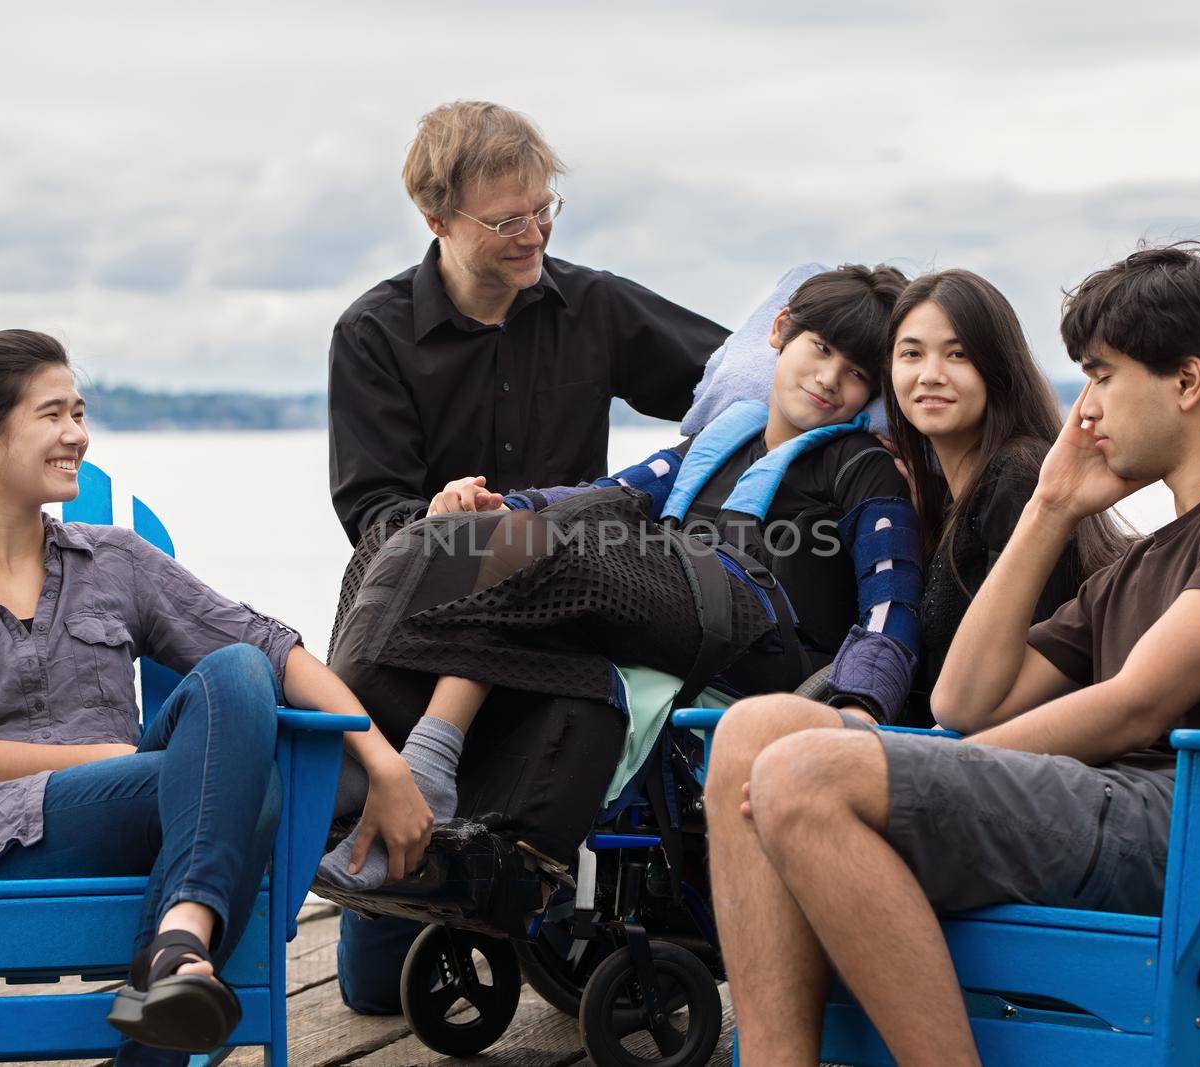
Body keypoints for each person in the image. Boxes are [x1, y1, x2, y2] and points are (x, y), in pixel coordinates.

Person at [705, 241, 1200, 1066]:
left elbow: (1140, 701)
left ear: (1188, 383)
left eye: (1102, 374)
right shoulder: (1141, 564)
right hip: (1117, 817)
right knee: (753, 735)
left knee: (805, 770)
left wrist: (928, 771)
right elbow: (965, 700)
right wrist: (1051, 506)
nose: (1084, 408)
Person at [0, 331, 434, 1066]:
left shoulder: (115, 559)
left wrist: (384, 760)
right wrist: (98, 757)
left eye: (80, 411)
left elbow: (270, 647)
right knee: (251, 787)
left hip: (141, 821)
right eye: (53, 414)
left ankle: (177, 943)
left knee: (235, 669)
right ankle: (173, 966)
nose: (78, 435)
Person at [321, 264, 919, 898]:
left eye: (857, 373)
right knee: (413, 541)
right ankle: (358, 779)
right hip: (671, 610)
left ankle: (428, 769)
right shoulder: (716, 442)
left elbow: (892, 612)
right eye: (820, 349)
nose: (829, 380)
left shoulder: (865, 472)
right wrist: (503, 508)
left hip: (763, 642)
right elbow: (612, 492)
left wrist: (858, 706)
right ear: (779, 332)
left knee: (559, 550)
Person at [328, 99, 728, 546]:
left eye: (542, 210)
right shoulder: (371, 334)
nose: (534, 236)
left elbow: (736, 384)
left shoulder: (596, 305)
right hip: (444, 591)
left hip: (586, 583)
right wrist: (440, 516)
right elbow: (372, 510)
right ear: (436, 219)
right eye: (507, 223)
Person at [877, 270, 1129, 724]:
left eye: (958, 355)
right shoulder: (950, 499)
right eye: (911, 354)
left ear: (997, 368)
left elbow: (1026, 684)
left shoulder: (1020, 476)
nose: (930, 375)